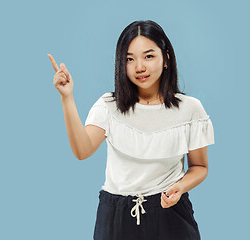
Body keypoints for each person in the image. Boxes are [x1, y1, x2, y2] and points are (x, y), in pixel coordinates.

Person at [48, 20, 215, 240]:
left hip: (170, 211)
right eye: (129, 59)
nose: (139, 67)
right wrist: (67, 98)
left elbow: (200, 166)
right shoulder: (109, 106)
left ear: (166, 58)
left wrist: (180, 187)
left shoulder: (190, 109)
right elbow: (82, 150)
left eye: (148, 56)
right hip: (116, 216)